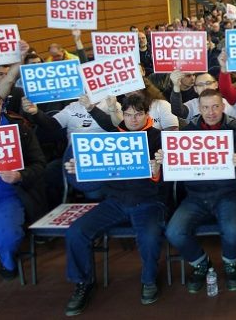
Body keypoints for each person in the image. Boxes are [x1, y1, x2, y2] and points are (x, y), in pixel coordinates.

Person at [63, 95, 166, 316]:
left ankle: (149, 280)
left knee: (149, 237)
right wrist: (77, 169)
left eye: (138, 114)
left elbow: (173, 177)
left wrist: (158, 171)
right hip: (114, 202)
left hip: (148, 202)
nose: (133, 119)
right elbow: (94, 173)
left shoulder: (159, 137)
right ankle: (83, 282)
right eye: (128, 114)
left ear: (147, 114)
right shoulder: (111, 138)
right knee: (76, 232)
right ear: (123, 115)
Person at [159, 89, 236, 293]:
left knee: (233, 230)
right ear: (199, 109)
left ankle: (230, 262)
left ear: (223, 107)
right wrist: (167, 158)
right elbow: (176, 165)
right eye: (206, 107)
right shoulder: (187, 133)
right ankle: (201, 263)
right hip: (195, 196)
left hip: (228, 194)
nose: (211, 112)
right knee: (174, 232)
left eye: (215, 106)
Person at [0, 85, 46, 282]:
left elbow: (40, 164)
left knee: (7, 238)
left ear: (1, 103)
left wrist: (20, 176)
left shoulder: (20, 130)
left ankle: (6, 261)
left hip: (5, 197)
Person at [169, 71, 235, 124]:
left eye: (208, 83)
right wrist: (176, 86)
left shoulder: (228, 104)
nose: (205, 87)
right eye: (200, 85)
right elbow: (177, 111)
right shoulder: (192, 105)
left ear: (216, 85)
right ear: (195, 89)